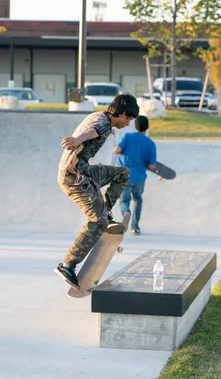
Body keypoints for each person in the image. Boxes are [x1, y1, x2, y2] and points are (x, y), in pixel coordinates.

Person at [55, 94, 139, 290]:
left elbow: (96, 129)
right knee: (97, 221)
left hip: (86, 172)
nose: (128, 124)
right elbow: (93, 132)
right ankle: (68, 265)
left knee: (122, 173)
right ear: (123, 114)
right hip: (74, 179)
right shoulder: (103, 124)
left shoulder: (100, 116)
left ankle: (106, 211)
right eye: (128, 120)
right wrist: (77, 140)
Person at [114, 115, 157, 235]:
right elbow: (152, 166)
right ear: (146, 127)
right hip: (139, 177)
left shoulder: (128, 137)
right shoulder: (150, 144)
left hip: (124, 175)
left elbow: (117, 150)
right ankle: (135, 227)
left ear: (135, 125)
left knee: (124, 200)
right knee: (138, 199)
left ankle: (126, 212)